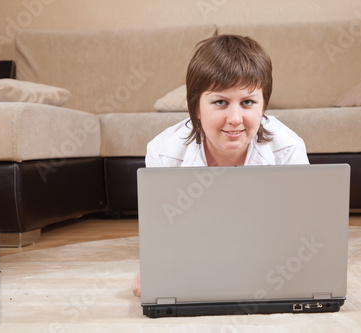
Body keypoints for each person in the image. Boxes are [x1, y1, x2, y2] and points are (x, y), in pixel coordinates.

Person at [132, 34, 309, 297]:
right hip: (194, 254)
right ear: (196, 109)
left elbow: (301, 231)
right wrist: (152, 267)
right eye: (220, 102)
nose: (235, 119)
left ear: (263, 107)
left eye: (248, 102)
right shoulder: (164, 153)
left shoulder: (288, 149)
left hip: (267, 256)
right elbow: (162, 234)